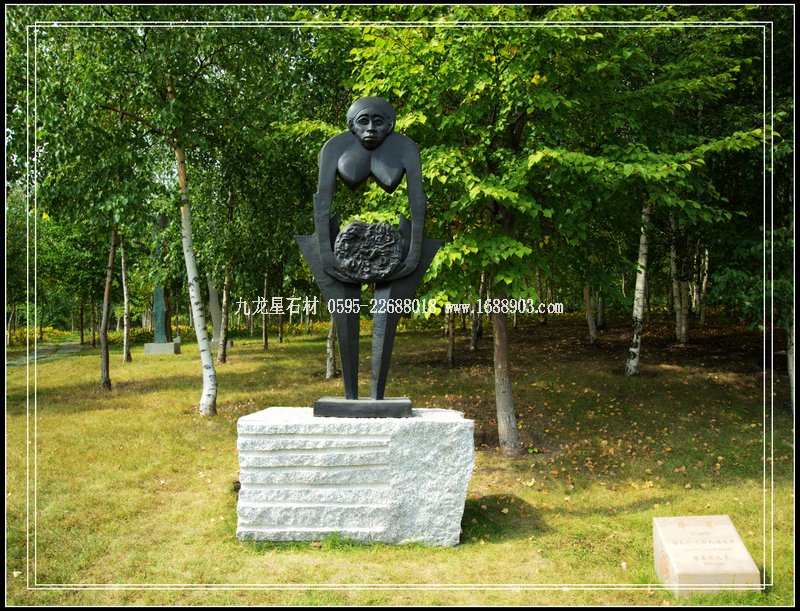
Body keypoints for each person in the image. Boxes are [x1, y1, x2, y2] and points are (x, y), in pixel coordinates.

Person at [296, 96, 441, 408]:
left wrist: (414, 252)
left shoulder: (405, 149)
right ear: (352, 125)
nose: (371, 128)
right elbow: (323, 201)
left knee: (387, 315)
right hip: (338, 256)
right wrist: (326, 254)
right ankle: (350, 395)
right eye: (364, 121)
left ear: (390, 125)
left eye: (379, 121)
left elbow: (417, 198)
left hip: (398, 258)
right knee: (344, 310)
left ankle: (378, 396)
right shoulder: (334, 148)